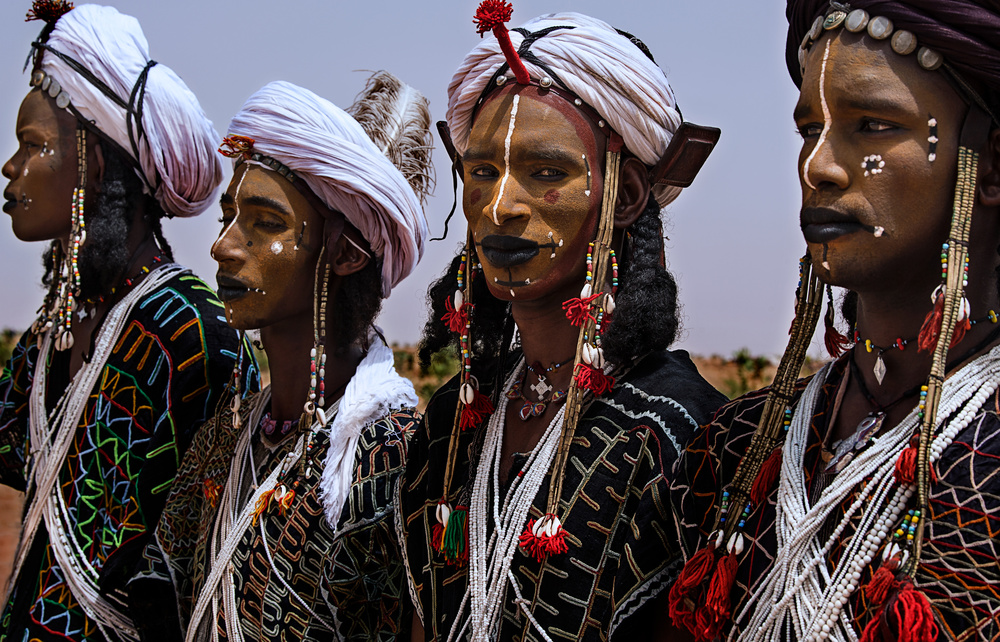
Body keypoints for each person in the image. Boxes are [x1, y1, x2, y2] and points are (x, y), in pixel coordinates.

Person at [669, 1, 1000, 640]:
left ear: (990, 163)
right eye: (808, 129)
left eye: (872, 125)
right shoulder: (736, 447)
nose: (817, 166)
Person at [398, 2, 727, 640]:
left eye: (546, 173)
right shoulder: (447, 426)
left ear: (625, 196)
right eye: (483, 172)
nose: (501, 206)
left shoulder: (681, 435)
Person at [137, 74, 432, 642]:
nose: (223, 245)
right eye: (229, 216)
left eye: (265, 222)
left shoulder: (388, 456)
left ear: (345, 252)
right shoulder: (228, 432)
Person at [0, 2, 248, 641]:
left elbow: (215, 563)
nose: (11, 168)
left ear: (93, 166)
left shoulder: (192, 333)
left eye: (33, 146)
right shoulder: (51, 332)